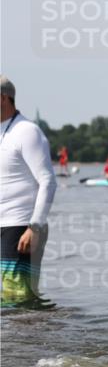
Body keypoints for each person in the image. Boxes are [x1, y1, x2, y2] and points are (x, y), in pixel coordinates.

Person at [0, 75, 57, 306]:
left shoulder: (26, 131)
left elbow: (48, 181)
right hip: (3, 225)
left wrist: (34, 226)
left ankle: (36, 342)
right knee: (8, 301)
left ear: (4, 98)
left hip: (21, 226)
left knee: (18, 300)